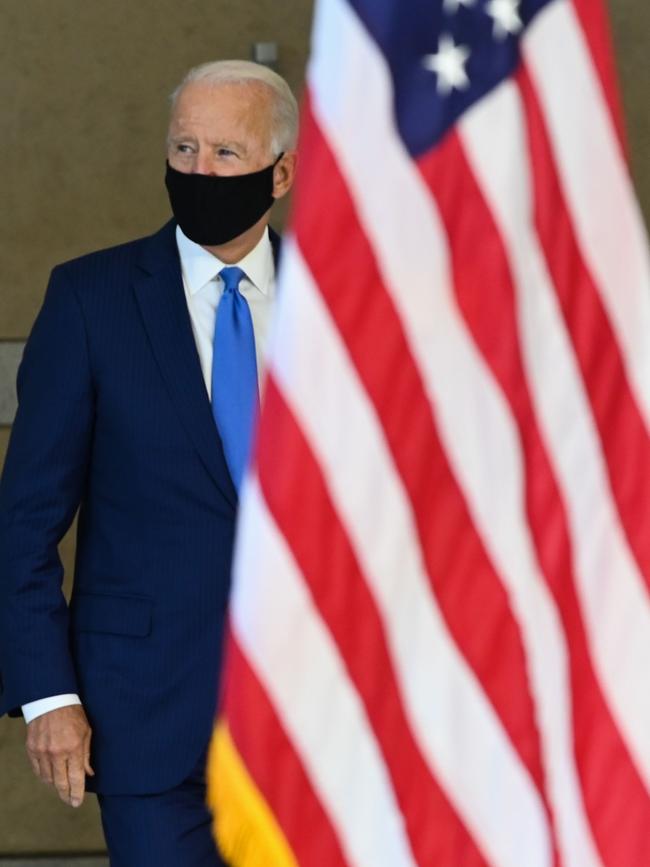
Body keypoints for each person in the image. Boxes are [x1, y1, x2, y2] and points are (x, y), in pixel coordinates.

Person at [0, 59, 298, 866]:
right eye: (184, 148)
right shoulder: (91, 300)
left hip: (320, 721)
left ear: (281, 171)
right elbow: (23, 522)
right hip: (146, 715)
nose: (199, 171)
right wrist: (48, 694)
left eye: (225, 154)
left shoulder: (342, 301)